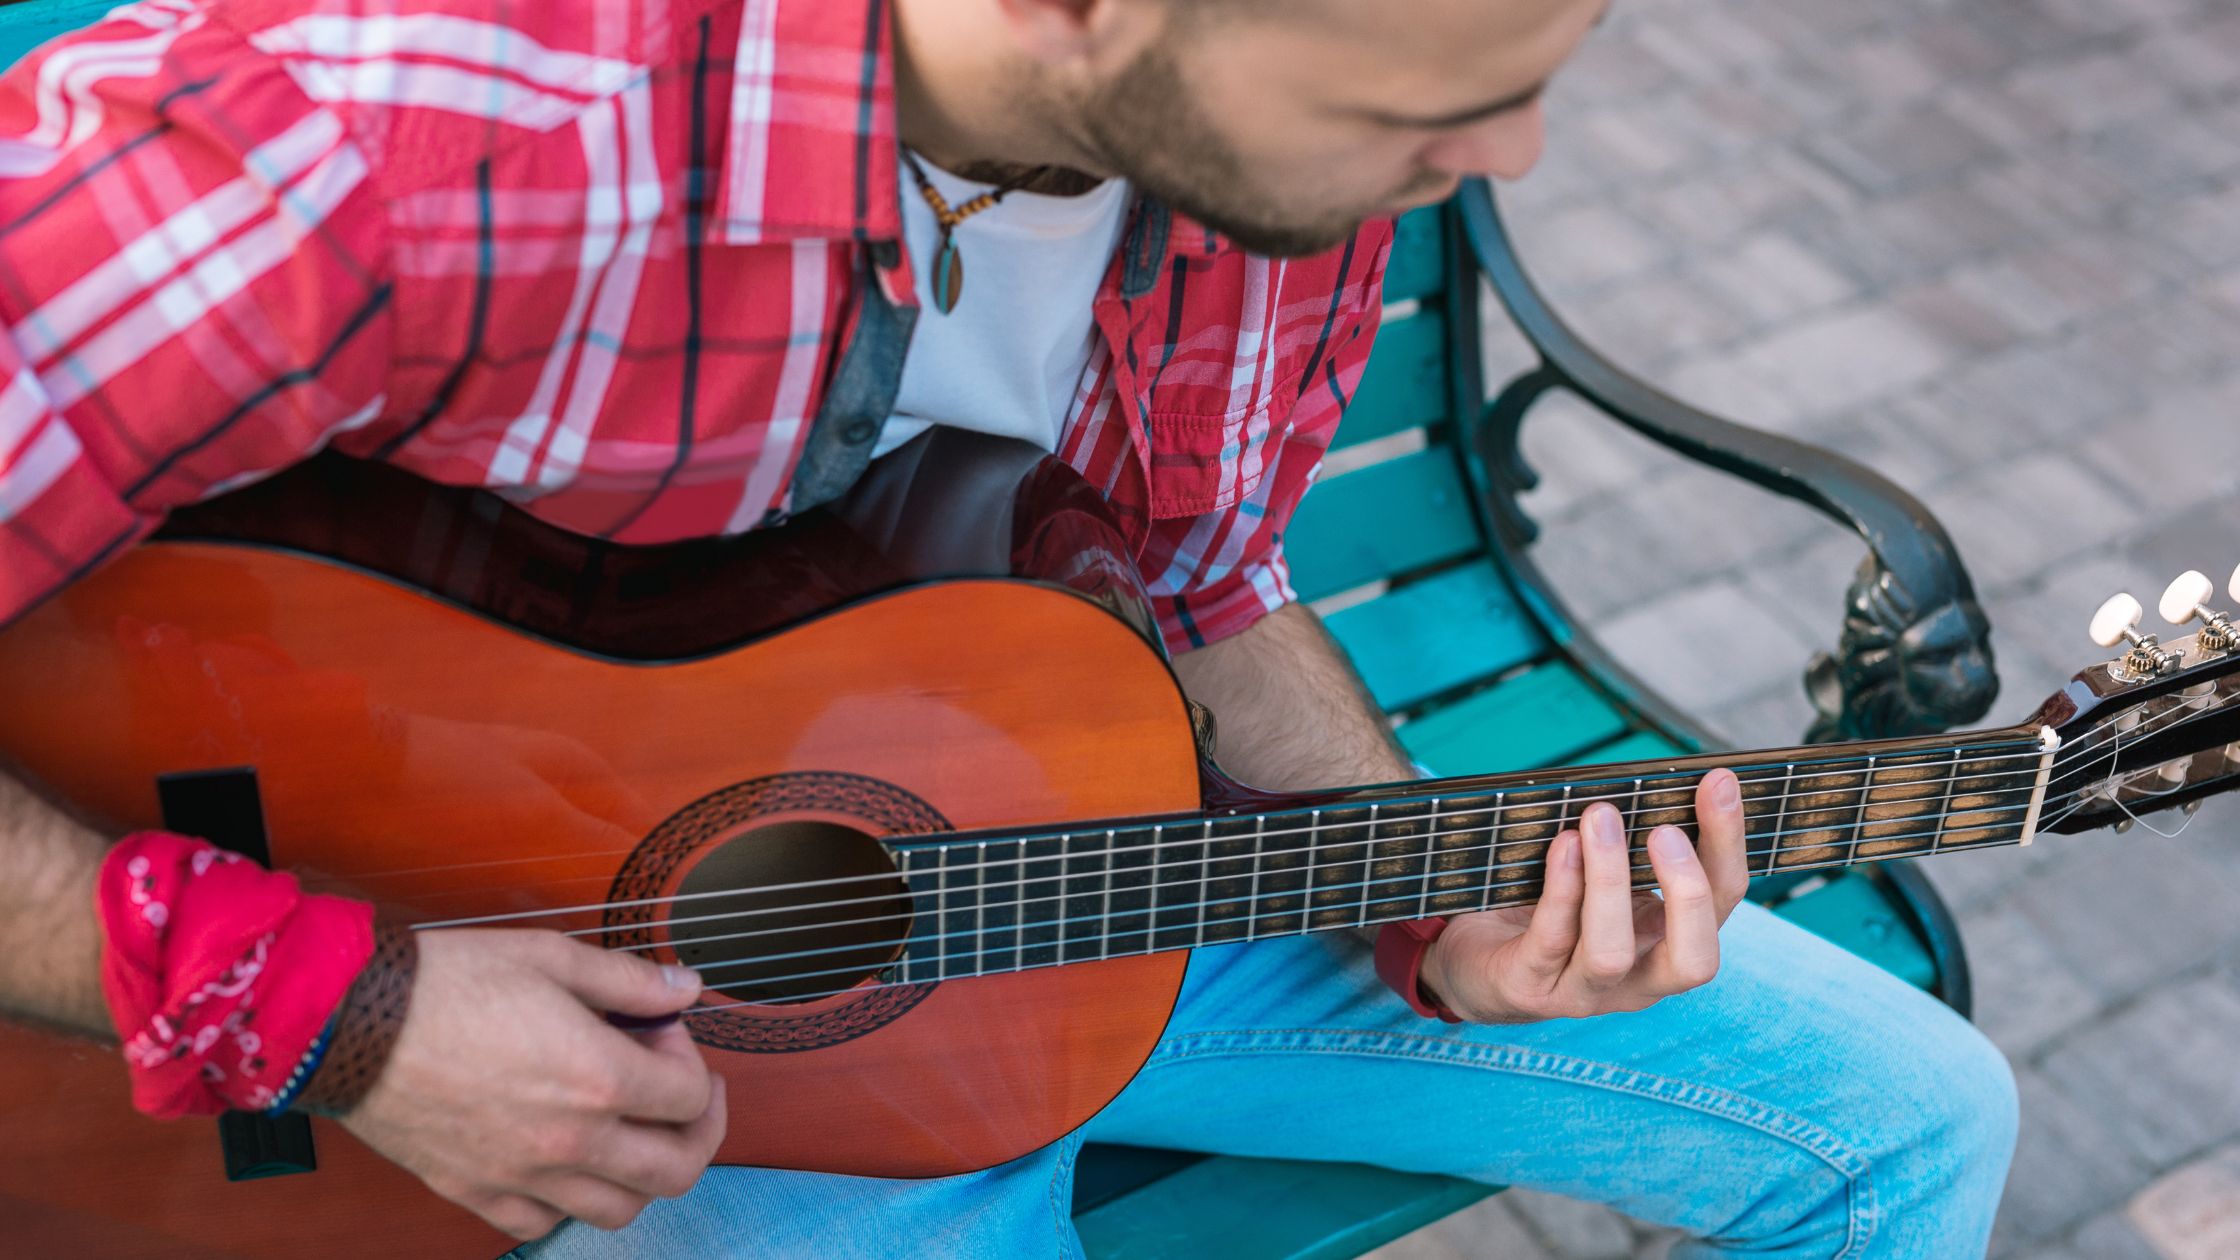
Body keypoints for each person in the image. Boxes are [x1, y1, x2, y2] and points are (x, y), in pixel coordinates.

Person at [0, 0, 2017, 1255]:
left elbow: (1209, 585)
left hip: (1053, 899)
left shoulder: (1259, 178)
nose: (1506, 165)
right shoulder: (388, 149)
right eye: (1442, 109)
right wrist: (339, 1017)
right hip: (481, 1035)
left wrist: (1438, 921)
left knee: (1914, 1128)